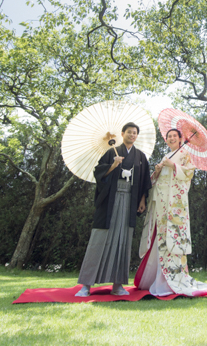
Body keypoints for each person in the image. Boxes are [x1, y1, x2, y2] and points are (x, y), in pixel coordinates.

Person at [134, 128, 207, 297]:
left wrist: (174, 166)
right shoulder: (166, 155)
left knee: (172, 237)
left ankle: (170, 278)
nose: (171, 138)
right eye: (169, 136)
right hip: (160, 202)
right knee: (160, 237)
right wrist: (157, 171)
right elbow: (156, 180)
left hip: (173, 204)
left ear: (180, 139)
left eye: (174, 136)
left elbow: (189, 173)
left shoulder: (185, 154)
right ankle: (157, 277)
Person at [76, 122, 151, 297]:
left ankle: (118, 285)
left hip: (130, 201)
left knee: (123, 240)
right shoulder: (111, 153)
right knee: (99, 238)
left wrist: (142, 200)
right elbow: (99, 173)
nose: (132, 135)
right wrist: (113, 165)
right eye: (129, 132)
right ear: (122, 134)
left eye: (135, 133)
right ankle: (86, 285)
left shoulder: (140, 156)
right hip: (110, 200)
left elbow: (144, 180)